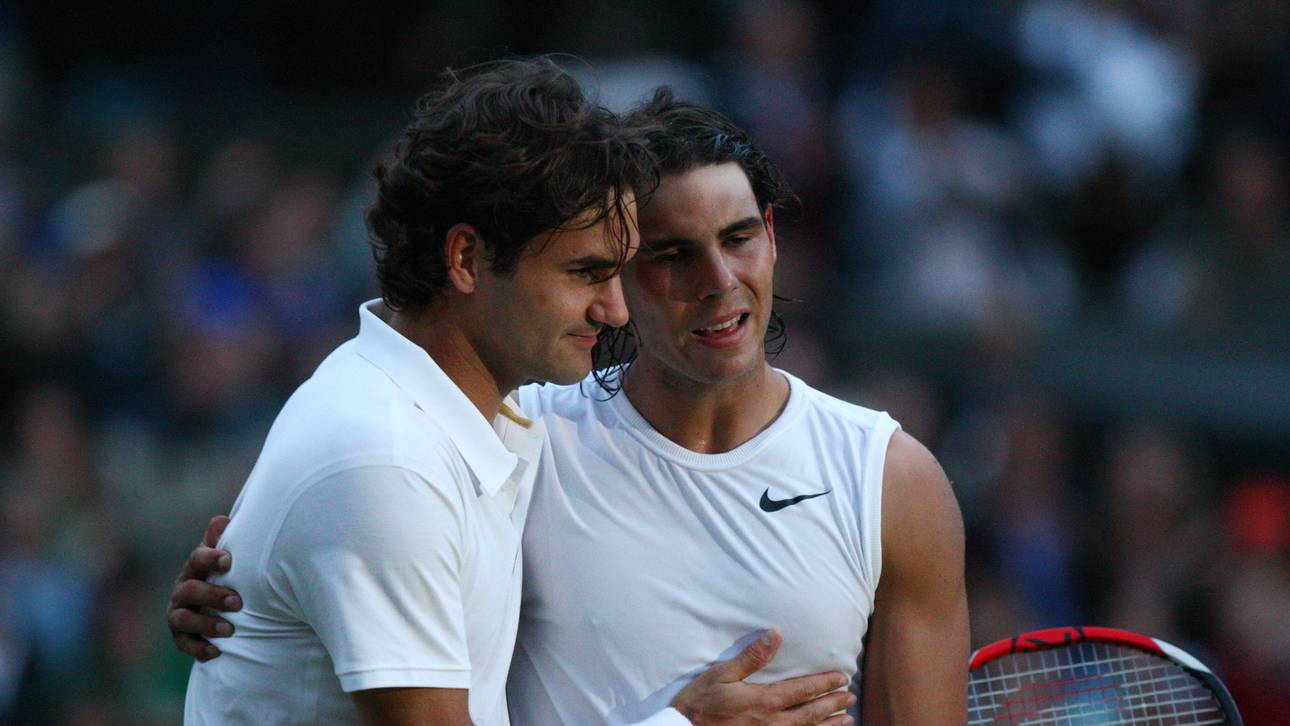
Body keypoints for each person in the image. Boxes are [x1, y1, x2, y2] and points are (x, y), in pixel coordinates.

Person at [172, 86, 967, 724]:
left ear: (772, 234)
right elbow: (353, 506)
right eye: (669, 255)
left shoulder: (890, 482)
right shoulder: (510, 436)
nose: (719, 282)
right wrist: (253, 603)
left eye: (738, 238)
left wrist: (258, 601)